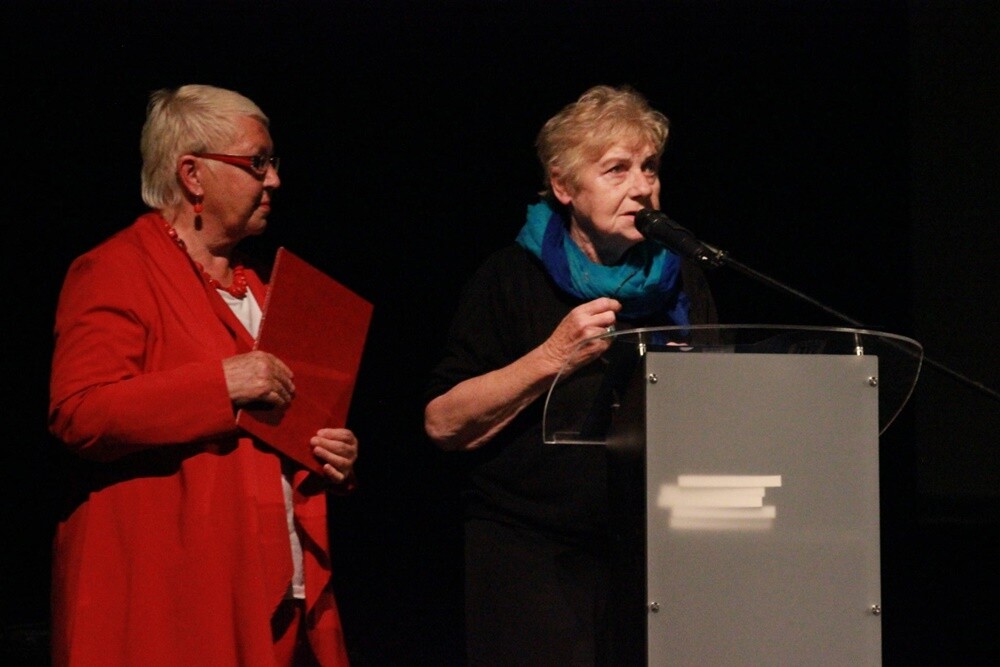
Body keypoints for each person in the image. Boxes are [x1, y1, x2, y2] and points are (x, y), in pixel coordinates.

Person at [48, 84, 356, 666]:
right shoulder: (115, 269)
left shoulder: (266, 288)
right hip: (167, 588)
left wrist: (327, 453)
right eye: (257, 163)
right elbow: (79, 412)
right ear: (192, 174)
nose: (274, 180)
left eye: (273, 163)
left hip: (268, 586)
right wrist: (223, 384)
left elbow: (281, 432)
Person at [423, 85, 718, 665]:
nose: (643, 186)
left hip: (655, 550)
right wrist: (553, 355)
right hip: (530, 553)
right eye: (617, 169)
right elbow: (442, 422)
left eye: (650, 167)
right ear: (563, 186)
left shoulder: (683, 277)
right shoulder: (510, 278)